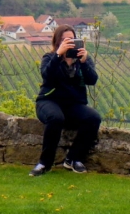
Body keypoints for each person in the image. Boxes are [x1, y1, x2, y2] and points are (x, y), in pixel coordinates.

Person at [30, 25, 102, 176]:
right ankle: (44, 163)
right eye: (64, 40)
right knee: (56, 118)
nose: (68, 42)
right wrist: (58, 55)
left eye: (71, 39)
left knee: (93, 118)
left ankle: (73, 158)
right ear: (57, 42)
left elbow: (92, 80)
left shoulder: (82, 60)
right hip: (49, 101)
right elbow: (47, 76)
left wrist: (83, 62)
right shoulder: (49, 58)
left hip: (73, 104)